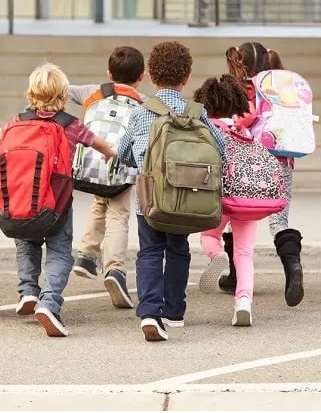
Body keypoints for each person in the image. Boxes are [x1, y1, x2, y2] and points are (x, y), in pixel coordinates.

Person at [0, 63, 116, 337]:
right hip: (57, 205)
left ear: (31, 93)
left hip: (23, 202)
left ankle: (28, 291)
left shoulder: (18, 121)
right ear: (63, 95)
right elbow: (97, 143)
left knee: (26, 243)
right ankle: (49, 302)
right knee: (60, 251)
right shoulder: (70, 125)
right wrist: (110, 153)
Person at [117, 41, 225, 341]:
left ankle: (150, 312)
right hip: (187, 197)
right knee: (178, 250)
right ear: (186, 77)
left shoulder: (142, 113)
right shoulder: (196, 114)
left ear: (151, 75)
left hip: (150, 200)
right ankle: (174, 311)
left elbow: (123, 152)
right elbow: (221, 148)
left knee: (150, 252)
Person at [224, 42, 304, 308]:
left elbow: (237, 122)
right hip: (281, 160)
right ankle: (293, 266)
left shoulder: (241, 90)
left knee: (236, 215)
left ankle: (237, 275)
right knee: (279, 221)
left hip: (248, 161)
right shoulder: (279, 89)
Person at [69, 46, 147, 309]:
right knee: (118, 215)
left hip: (90, 164)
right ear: (142, 76)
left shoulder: (93, 92)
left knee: (99, 201)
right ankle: (115, 270)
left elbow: (62, 90)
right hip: (120, 165)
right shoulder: (143, 102)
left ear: (109, 73)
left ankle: (87, 255)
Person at [194, 75, 259, 326]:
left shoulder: (206, 128)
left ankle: (217, 254)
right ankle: (243, 302)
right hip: (245, 198)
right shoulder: (242, 130)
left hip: (216, 196)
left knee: (209, 236)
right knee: (244, 253)